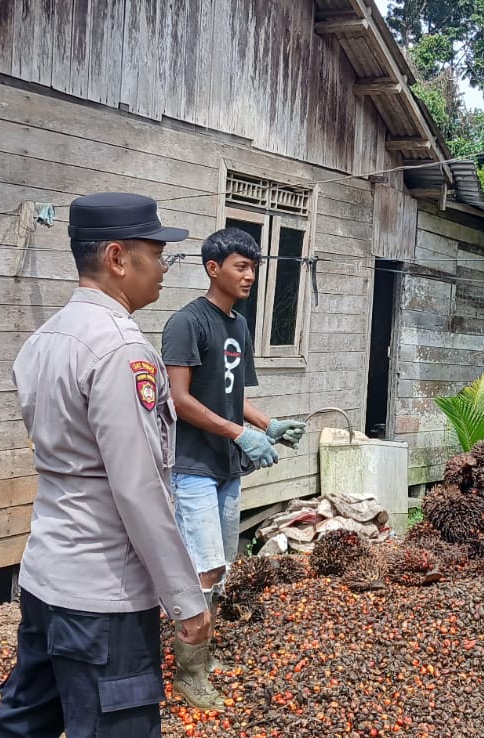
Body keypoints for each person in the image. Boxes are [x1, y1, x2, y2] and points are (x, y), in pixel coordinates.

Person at [0, 193, 207, 738]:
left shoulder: (44, 339)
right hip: (104, 592)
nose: (163, 268)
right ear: (116, 258)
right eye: (158, 254)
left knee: (24, 725)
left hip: (46, 574)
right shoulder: (119, 350)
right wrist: (184, 597)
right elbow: (138, 487)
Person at [159, 227, 307, 707]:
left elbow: (234, 396)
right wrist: (241, 434)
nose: (251, 275)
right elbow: (179, 401)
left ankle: (203, 654)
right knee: (201, 570)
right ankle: (188, 673)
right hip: (193, 467)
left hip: (226, 468)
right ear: (213, 269)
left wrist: (269, 423)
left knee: (220, 567)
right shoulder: (187, 323)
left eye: (254, 266)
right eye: (242, 266)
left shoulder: (238, 325)